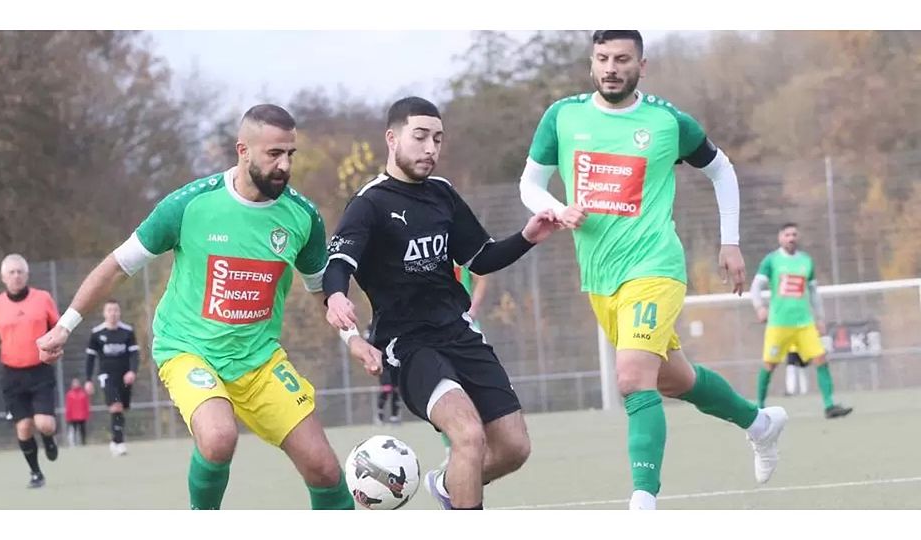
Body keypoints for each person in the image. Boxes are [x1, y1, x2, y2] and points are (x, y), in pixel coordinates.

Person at [38, 104, 381, 510]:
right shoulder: (190, 205)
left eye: (291, 154)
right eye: (274, 154)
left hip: (258, 360)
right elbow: (117, 267)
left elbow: (323, 288)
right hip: (188, 350)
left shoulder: (302, 217)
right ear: (243, 150)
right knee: (219, 437)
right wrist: (65, 325)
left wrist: (352, 338)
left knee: (324, 469)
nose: (285, 165)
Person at [517, 30, 788, 510]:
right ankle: (760, 424)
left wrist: (730, 242)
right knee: (674, 379)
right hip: (601, 278)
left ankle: (643, 503)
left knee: (631, 378)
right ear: (591, 63)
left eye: (622, 59)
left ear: (642, 66)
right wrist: (557, 208)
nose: (611, 68)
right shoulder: (563, 116)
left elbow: (721, 169)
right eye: (603, 58)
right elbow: (530, 185)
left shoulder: (666, 121)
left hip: (655, 267)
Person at [324, 96, 562, 510]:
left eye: (437, 139)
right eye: (420, 137)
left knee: (514, 447)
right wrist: (337, 295)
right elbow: (339, 262)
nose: (430, 148)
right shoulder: (369, 204)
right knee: (468, 436)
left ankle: (449, 485)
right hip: (408, 343)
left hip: (458, 332)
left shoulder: (443, 194)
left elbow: (480, 258)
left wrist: (527, 237)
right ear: (392, 138)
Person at [750, 222, 853, 418]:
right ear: (780, 238)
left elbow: (813, 292)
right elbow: (756, 287)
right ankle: (758, 407)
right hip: (779, 323)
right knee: (769, 365)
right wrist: (760, 307)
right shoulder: (771, 260)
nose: (791, 238)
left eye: (794, 234)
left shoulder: (806, 261)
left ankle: (829, 406)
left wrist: (820, 318)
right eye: (787, 235)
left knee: (820, 358)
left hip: (804, 323)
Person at [0, 253, 60, 488]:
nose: (16, 276)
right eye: (11, 272)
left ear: (27, 274)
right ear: (3, 277)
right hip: (12, 374)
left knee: (45, 424)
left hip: (41, 371)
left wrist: (56, 345)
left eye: (20, 271)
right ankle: (36, 473)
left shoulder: (43, 299)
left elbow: (58, 327)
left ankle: (49, 439)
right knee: (23, 427)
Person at [439, 266, 489, 467]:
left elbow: (481, 277)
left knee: (478, 389)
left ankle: (483, 443)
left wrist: (473, 309)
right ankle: (450, 449)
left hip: (466, 327)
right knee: (444, 390)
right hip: (435, 329)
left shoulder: (459, 251)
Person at [85, 299, 140, 456]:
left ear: (119, 312)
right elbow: (90, 358)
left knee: (122, 407)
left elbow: (134, 354)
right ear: (104, 313)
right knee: (116, 406)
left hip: (124, 376)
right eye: (109, 310)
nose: (113, 313)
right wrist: (88, 380)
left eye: (115, 310)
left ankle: (115, 440)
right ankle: (120, 442)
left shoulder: (128, 331)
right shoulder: (97, 333)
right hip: (106, 375)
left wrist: (132, 371)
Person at [65, 378, 90, 446]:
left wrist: (87, 414)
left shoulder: (83, 394)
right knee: (74, 430)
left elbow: (86, 405)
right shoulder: (69, 394)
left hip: (82, 416)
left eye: (77, 383)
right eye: (74, 383)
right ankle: (73, 443)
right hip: (73, 416)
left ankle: (83, 442)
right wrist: (68, 416)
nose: (76, 384)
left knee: (82, 430)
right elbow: (68, 406)